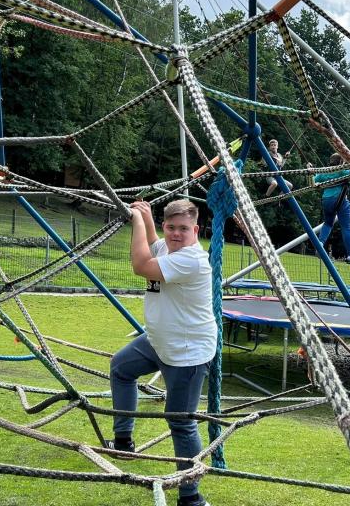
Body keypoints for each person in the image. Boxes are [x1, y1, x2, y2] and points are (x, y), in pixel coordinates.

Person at [109, 199, 214, 506]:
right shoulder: (167, 248)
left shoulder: (192, 260)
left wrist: (136, 221)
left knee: (180, 422)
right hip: (158, 341)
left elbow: (141, 265)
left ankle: (191, 497)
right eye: (171, 227)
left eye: (183, 229)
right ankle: (124, 441)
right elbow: (154, 244)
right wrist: (146, 217)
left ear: (195, 230)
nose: (176, 234)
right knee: (121, 368)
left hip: (187, 352)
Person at [313, 152, 350, 267]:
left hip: (326, 200)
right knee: (346, 227)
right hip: (340, 201)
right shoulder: (341, 171)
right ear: (340, 162)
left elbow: (313, 182)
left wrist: (311, 173)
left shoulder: (325, 172)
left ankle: (320, 243)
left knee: (328, 223)